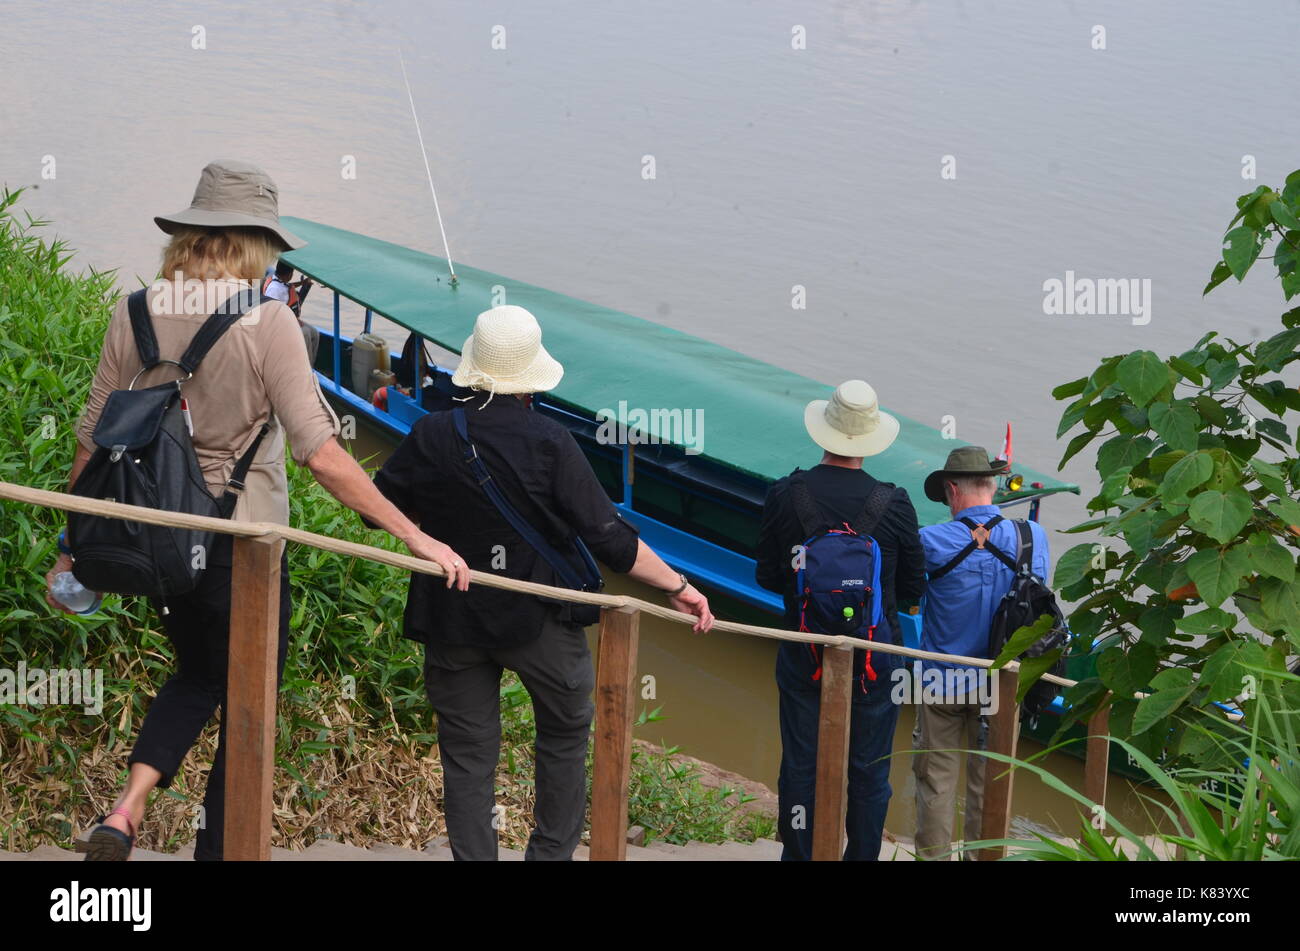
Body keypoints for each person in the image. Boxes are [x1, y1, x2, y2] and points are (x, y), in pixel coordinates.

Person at [45, 159, 470, 861]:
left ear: (191, 236)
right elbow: (322, 453)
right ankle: (221, 849)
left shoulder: (134, 310)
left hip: (159, 542)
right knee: (250, 703)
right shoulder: (267, 320)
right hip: (243, 549)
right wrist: (417, 536)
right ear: (254, 243)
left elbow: (92, 439)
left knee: (197, 674)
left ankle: (126, 809)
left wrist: (71, 546)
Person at [366, 304, 714, 860]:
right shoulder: (550, 441)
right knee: (564, 733)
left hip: (451, 618)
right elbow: (609, 539)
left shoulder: (431, 434)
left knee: (468, 755)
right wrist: (677, 585)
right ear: (531, 378)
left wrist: (427, 534)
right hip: (538, 620)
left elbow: (375, 508)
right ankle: (549, 855)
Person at [756, 380, 925, 860]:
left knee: (801, 766)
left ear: (824, 432)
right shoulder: (894, 502)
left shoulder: (786, 493)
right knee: (870, 770)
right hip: (876, 656)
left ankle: (800, 855)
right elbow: (914, 587)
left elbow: (768, 575)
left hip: (803, 651)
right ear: (870, 440)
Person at [912, 445, 1049, 860]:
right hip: (1005, 682)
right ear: (991, 486)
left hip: (942, 679)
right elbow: (1039, 602)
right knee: (991, 780)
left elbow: (910, 597)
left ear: (953, 490)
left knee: (935, 780)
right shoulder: (1032, 536)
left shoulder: (929, 540)